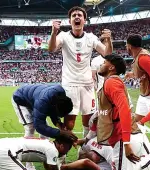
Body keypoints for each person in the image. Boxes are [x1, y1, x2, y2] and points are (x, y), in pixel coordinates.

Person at [48, 6, 113, 138]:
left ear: (84, 20)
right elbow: (52, 49)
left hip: (87, 85)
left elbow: (107, 54)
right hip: (70, 84)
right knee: (69, 122)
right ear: (70, 20)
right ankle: (62, 157)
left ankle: (84, 149)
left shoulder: (90, 37)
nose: (77, 17)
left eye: (80, 15)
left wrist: (108, 40)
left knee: (88, 121)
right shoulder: (63, 36)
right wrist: (53, 33)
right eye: (74, 15)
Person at [12, 84, 78, 170]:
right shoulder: (42, 102)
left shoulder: (60, 96)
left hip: (36, 98)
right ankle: (29, 165)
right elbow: (39, 126)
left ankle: (46, 156)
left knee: (46, 133)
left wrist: (59, 124)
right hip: (21, 98)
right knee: (30, 128)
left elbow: (52, 111)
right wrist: (60, 133)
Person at [126, 34, 150, 149]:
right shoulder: (139, 56)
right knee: (137, 121)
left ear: (129, 46)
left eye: (126, 45)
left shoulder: (144, 58)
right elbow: (144, 73)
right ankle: (142, 145)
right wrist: (131, 74)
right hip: (145, 93)